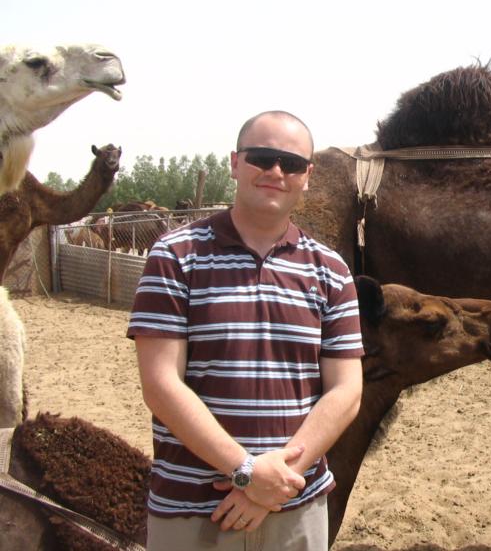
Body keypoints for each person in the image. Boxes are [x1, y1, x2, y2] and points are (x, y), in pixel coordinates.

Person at [128, 110, 364, 551]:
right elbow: (160, 384)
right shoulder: (176, 256)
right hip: (194, 507)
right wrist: (248, 471)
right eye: (262, 158)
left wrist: (275, 484)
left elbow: (346, 392)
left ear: (307, 176)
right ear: (235, 164)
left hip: (295, 505)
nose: (276, 171)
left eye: (291, 163)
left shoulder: (331, 271)